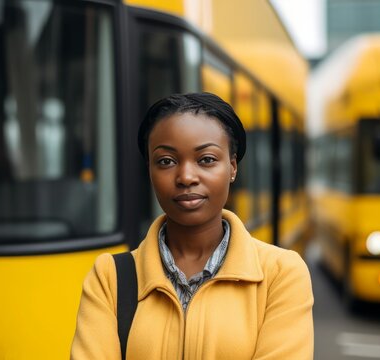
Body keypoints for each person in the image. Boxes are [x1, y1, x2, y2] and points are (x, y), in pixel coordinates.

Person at [71, 93, 314, 359]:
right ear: (150, 170)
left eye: (206, 159)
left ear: (232, 167)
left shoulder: (280, 275)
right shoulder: (110, 278)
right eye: (166, 161)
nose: (186, 177)